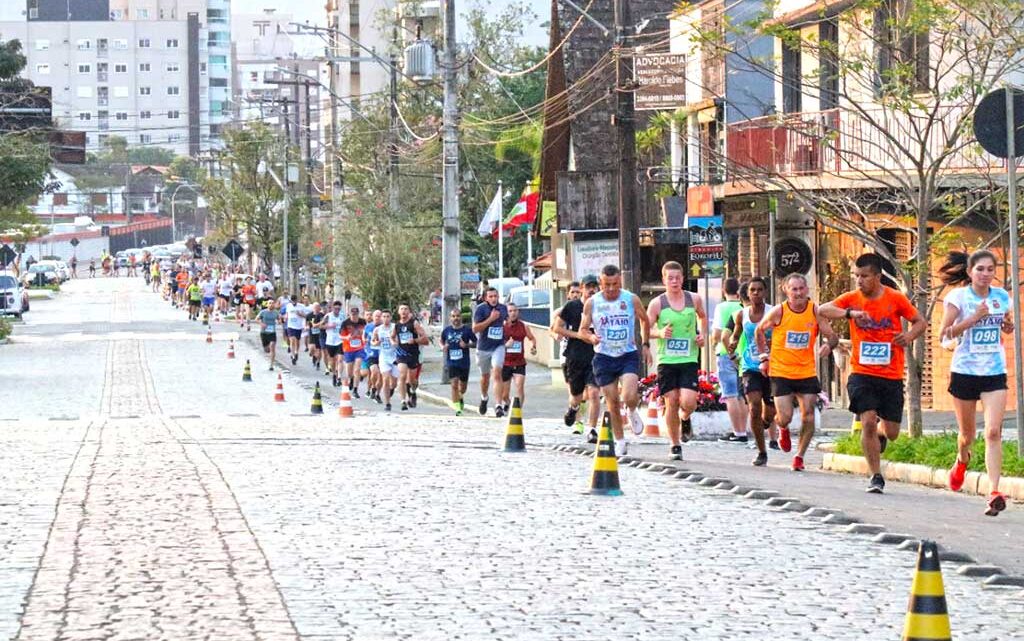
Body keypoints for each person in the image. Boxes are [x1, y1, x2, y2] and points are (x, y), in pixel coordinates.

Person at [819, 253, 926, 493]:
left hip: (891, 374)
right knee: (867, 420)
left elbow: (920, 321)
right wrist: (849, 314)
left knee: (892, 432)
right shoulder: (851, 299)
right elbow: (823, 310)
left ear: (877, 277)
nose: (859, 280)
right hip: (862, 372)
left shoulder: (895, 298)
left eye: (864, 276)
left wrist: (908, 336)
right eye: (856, 275)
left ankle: (881, 433)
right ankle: (876, 475)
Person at [937, 250, 1013, 515]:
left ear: (995, 272)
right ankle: (961, 459)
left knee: (993, 432)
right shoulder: (958, 297)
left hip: (994, 370)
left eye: (990, 269)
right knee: (967, 435)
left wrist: (1006, 326)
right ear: (970, 273)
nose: (985, 274)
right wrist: (971, 320)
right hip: (965, 371)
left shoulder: (1002, 297)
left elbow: (1004, 325)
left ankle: (994, 491)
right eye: (980, 269)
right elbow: (944, 333)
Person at [755, 273, 839, 471]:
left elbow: (832, 335)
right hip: (781, 371)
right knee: (784, 417)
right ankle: (782, 428)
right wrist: (764, 358)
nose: (798, 293)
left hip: (806, 371)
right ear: (786, 290)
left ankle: (799, 456)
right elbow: (759, 330)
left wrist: (828, 345)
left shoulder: (815, 311)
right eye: (794, 289)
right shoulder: (779, 312)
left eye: (801, 289)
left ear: (807, 290)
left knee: (808, 415)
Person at [581, 264, 651, 457]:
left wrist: (645, 345)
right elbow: (582, 330)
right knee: (612, 401)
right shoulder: (592, 303)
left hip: (627, 353)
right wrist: (591, 337)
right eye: (606, 285)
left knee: (628, 395)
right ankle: (620, 441)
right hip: (603, 356)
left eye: (615, 284)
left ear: (620, 281)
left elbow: (645, 320)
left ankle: (632, 408)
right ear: (600, 283)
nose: (611, 289)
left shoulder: (630, 299)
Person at [647, 261, 707, 461]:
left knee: (688, 402)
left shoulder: (694, 299)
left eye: (678, 278)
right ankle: (674, 445)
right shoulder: (658, 303)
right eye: (670, 278)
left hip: (689, 358)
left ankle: (686, 417)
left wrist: (702, 335)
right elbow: (645, 330)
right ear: (664, 280)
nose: (674, 281)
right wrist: (660, 332)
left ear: (683, 278)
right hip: (667, 360)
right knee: (671, 401)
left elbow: (703, 318)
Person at [723, 277, 779, 466]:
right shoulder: (741, 315)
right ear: (747, 294)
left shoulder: (774, 312)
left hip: (773, 366)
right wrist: (732, 344)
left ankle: (764, 423)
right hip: (750, 367)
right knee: (754, 406)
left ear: (765, 292)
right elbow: (736, 335)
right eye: (752, 290)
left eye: (759, 290)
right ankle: (761, 451)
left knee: (770, 411)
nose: (756, 293)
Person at [551, 277, 602, 440]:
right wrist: (578, 335)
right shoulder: (572, 306)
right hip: (575, 356)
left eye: (595, 287)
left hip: (596, 355)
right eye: (588, 287)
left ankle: (592, 429)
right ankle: (573, 409)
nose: (592, 290)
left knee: (594, 393)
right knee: (577, 396)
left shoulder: (601, 306)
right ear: (582, 288)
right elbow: (557, 328)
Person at [713, 277, 748, 442]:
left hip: (726, 353)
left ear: (723, 291)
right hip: (743, 353)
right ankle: (745, 430)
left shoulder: (721, 308)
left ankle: (738, 432)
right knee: (742, 395)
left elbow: (717, 334)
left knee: (730, 395)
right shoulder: (743, 307)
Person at [472, 287, 509, 417]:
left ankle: (498, 405)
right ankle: (484, 397)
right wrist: (491, 319)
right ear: (485, 298)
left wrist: (507, 331)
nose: (493, 299)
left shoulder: (503, 308)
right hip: (483, 348)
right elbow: (475, 329)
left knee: (497, 373)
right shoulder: (481, 309)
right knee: (485, 377)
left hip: (498, 346)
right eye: (491, 296)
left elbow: (507, 322)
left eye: (495, 296)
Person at [499, 303, 537, 412]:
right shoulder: (502, 327)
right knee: (504, 395)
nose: (513, 313)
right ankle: (507, 403)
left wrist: (533, 347)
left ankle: (517, 411)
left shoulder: (524, 326)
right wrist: (506, 345)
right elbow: (495, 343)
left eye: (515, 310)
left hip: (519, 362)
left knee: (519, 386)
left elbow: (532, 338)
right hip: (505, 363)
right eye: (510, 311)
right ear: (506, 313)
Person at [393, 304, 429, 411]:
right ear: (398, 312)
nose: (403, 311)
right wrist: (393, 342)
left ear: (409, 312)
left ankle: (413, 392)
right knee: (402, 376)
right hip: (401, 354)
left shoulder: (414, 324)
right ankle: (403, 401)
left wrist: (415, 340)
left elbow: (425, 339)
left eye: (405, 309)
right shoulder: (397, 325)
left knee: (412, 380)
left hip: (413, 354)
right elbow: (392, 336)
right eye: (401, 309)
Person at [442, 308, 477, 415]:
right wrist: (444, 346)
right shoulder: (447, 330)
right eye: (453, 316)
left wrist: (466, 345)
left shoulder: (467, 330)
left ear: (461, 317)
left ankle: (460, 396)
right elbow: (442, 341)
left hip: (464, 363)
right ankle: (457, 409)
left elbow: (476, 343)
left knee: (463, 387)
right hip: (452, 362)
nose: (455, 318)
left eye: (457, 316)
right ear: (450, 318)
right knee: (454, 384)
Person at [372, 310, 399, 411]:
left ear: (391, 317)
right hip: (384, 357)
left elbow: (398, 343)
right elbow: (373, 342)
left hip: (395, 357)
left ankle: (390, 390)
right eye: (384, 316)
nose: (386, 318)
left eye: (388, 316)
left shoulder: (395, 327)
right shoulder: (377, 329)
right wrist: (376, 343)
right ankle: (387, 403)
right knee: (386, 379)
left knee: (394, 383)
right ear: (381, 318)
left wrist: (394, 342)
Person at [340, 306, 367, 396]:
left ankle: (355, 390)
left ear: (358, 314)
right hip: (348, 348)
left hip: (359, 348)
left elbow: (365, 332)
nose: (354, 316)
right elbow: (340, 336)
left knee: (357, 368)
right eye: (352, 314)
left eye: (355, 315)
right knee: (349, 371)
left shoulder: (362, 322)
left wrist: (364, 337)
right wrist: (346, 337)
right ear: (350, 314)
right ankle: (351, 379)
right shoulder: (345, 323)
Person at [321, 301, 345, 386]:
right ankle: (334, 375)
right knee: (333, 361)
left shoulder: (342, 316)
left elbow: (346, 326)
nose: (337, 310)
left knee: (340, 359)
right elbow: (321, 326)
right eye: (335, 308)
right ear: (332, 308)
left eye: (339, 309)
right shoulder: (328, 316)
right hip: (330, 341)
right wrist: (328, 326)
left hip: (340, 341)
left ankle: (339, 377)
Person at [283, 294, 309, 365]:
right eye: (292, 301)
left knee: (297, 341)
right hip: (290, 326)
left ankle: (296, 352)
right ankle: (293, 355)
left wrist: (301, 314)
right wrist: (285, 318)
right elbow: (287, 314)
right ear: (291, 300)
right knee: (292, 340)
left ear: (297, 300)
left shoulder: (301, 306)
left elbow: (306, 316)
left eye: (295, 300)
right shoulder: (288, 306)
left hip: (298, 326)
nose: (294, 302)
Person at [363, 310, 383, 402]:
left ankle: (377, 393)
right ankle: (373, 387)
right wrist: (365, 340)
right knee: (374, 371)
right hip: (371, 352)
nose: (377, 318)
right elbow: (364, 336)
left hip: (383, 353)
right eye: (376, 316)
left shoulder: (385, 327)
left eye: (379, 316)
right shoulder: (368, 326)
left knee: (382, 375)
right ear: (373, 317)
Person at [257, 300, 280, 370]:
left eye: (272, 303)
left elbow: (279, 320)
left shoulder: (276, 313)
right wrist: (262, 324)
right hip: (264, 333)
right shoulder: (263, 312)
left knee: (272, 346)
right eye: (270, 303)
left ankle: (271, 365)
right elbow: (257, 319)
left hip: (272, 332)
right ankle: (267, 350)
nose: (271, 305)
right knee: (267, 350)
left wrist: (279, 321)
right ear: (267, 305)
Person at [307, 302, 325, 370]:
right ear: (313, 308)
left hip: (319, 334)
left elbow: (324, 322)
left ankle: (318, 362)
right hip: (312, 333)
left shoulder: (321, 315)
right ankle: (314, 356)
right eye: (315, 307)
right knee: (311, 349)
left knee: (319, 350)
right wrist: (306, 327)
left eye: (318, 307)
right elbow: (306, 323)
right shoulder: (309, 315)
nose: (317, 309)